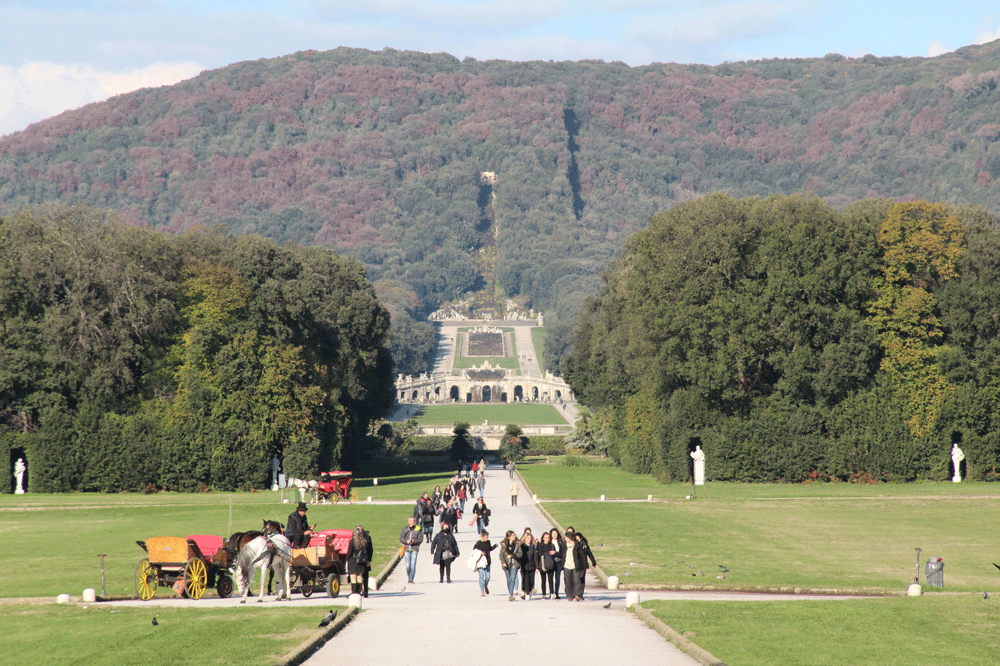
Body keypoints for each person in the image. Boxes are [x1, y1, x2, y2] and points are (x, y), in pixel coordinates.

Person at [570, 530, 597, 601]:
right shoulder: (574, 545)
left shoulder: (584, 545)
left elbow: (589, 553)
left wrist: (593, 562)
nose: (576, 539)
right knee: (576, 579)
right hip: (576, 564)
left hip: (583, 564)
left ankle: (580, 594)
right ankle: (576, 594)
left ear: (581, 538)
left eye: (577, 538)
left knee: (582, 579)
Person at [346, 524, 371, 596]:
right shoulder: (363, 542)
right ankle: (359, 591)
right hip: (361, 561)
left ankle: (354, 592)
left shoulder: (352, 541)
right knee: (359, 576)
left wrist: (346, 559)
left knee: (353, 577)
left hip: (353, 561)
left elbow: (350, 552)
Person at [499, 530, 523, 601]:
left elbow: (520, 554)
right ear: (508, 537)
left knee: (512, 579)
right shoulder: (504, 545)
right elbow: (501, 555)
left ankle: (511, 594)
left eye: (515, 535)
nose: (514, 536)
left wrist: (513, 556)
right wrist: (503, 562)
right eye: (513, 535)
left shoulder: (517, 544)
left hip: (515, 564)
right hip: (506, 564)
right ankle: (510, 592)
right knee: (509, 579)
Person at [472, 530, 497, 596]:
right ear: (482, 537)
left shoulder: (488, 542)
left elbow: (490, 549)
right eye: (485, 537)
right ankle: (482, 591)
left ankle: (485, 585)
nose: (487, 539)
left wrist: (495, 546)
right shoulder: (478, 543)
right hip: (480, 561)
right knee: (481, 576)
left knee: (488, 576)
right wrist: (481, 553)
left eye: (487, 537)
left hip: (487, 561)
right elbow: (474, 550)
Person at [399, 516, 422, 584]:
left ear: (414, 522)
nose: (412, 522)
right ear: (408, 521)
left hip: (414, 549)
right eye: (410, 521)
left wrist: (414, 541)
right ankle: (409, 576)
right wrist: (406, 541)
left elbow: (420, 539)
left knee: (413, 564)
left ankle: (411, 579)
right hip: (406, 549)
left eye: (413, 521)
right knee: (407, 565)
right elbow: (401, 538)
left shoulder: (418, 528)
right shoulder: (405, 529)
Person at [536, 531, 557, 599]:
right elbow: (538, 555)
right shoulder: (540, 545)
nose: (547, 539)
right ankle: (544, 594)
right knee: (543, 580)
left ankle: (551, 593)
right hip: (543, 564)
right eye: (545, 538)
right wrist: (538, 566)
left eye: (548, 538)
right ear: (543, 538)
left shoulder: (551, 545)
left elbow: (554, 554)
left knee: (550, 580)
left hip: (550, 564)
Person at [520, 530, 538, 600]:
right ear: (525, 539)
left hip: (532, 565)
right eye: (527, 538)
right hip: (524, 565)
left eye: (530, 538)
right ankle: (527, 593)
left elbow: (535, 557)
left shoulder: (533, 546)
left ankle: (530, 590)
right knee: (526, 580)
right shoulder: (522, 546)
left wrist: (537, 567)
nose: (529, 540)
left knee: (532, 581)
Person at [562, 529, 578, 601]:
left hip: (574, 565)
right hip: (566, 565)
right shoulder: (564, 545)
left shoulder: (576, 545)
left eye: (566, 537)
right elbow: (562, 555)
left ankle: (576, 594)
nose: (565, 538)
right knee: (567, 581)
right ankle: (569, 595)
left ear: (570, 538)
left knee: (575, 581)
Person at [549, 528, 564, 599]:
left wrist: (556, 553)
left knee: (557, 578)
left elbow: (563, 554)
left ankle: (556, 592)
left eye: (555, 533)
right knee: (550, 578)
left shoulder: (560, 542)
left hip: (558, 561)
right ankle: (551, 593)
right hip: (551, 561)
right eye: (553, 533)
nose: (554, 535)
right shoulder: (549, 542)